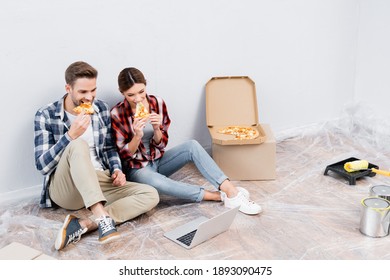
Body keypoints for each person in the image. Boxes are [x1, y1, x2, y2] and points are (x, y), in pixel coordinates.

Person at [34, 61, 159, 251]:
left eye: (93, 90)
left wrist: (117, 169)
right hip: (66, 188)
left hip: (99, 180)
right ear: (68, 88)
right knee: (77, 144)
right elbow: (42, 166)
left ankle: (85, 224)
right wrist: (70, 136)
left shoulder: (100, 108)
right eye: (83, 92)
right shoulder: (45, 115)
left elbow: (109, 148)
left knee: (150, 195)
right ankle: (102, 217)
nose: (89, 97)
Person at [110, 67, 262, 215]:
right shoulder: (117, 113)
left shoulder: (157, 103)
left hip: (157, 160)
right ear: (121, 92)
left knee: (192, 146)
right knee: (158, 183)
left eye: (141, 92)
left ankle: (230, 190)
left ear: (145, 85)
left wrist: (157, 129)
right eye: (131, 95)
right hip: (137, 169)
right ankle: (217, 196)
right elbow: (124, 156)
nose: (137, 99)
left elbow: (161, 144)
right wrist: (137, 135)